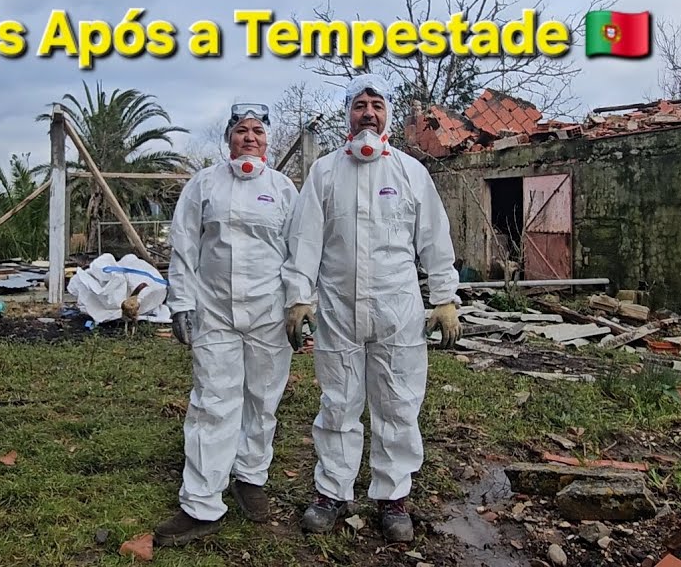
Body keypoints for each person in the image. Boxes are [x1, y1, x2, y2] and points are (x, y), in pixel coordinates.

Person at [282, 74, 462, 542]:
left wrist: (443, 298)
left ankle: (393, 497)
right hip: (339, 309)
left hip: (397, 311)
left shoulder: (409, 173)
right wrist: (300, 296)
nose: (368, 112)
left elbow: (435, 240)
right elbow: (304, 241)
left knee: (399, 403)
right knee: (338, 403)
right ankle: (331, 493)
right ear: (349, 114)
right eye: (359, 105)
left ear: (387, 115)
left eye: (376, 104)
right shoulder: (324, 173)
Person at [153, 102, 300, 547]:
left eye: (257, 130)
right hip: (214, 312)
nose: (249, 137)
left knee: (262, 398)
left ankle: (250, 478)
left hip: (269, 315)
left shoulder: (284, 190)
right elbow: (184, 247)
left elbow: (300, 253)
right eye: (240, 130)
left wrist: (299, 304)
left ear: (267, 140)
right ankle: (200, 504)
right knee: (212, 402)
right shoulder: (203, 186)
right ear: (227, 139)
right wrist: (181, 303)